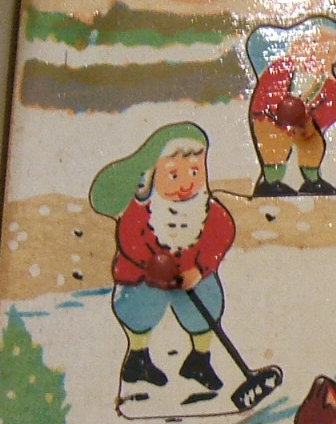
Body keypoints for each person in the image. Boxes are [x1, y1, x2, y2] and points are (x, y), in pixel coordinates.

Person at [88, 122, 235, 392]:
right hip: (145, 277)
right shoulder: (142, 211)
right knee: (138, 308)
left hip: (191, 275)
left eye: (195, 172)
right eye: (174, 175)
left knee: (207, 304)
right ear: (152, 176)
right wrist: (152, 265)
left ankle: (199, 360)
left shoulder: (208, 211)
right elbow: (130, 239)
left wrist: (201, 269)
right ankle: (138, 358)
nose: (186, 184)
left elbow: (221, 235)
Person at [246, 15, 336, 196]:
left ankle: (311, 180)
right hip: (269, 118)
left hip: (304, 126)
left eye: (328, 49)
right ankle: (272, 181)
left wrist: (311, 123)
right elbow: (266, 95)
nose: (318, 52)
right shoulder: (282, 69)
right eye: (314, 43)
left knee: (313, 147)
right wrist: (277, 117)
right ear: (297, 46)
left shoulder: (326, 85)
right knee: (275, 145)